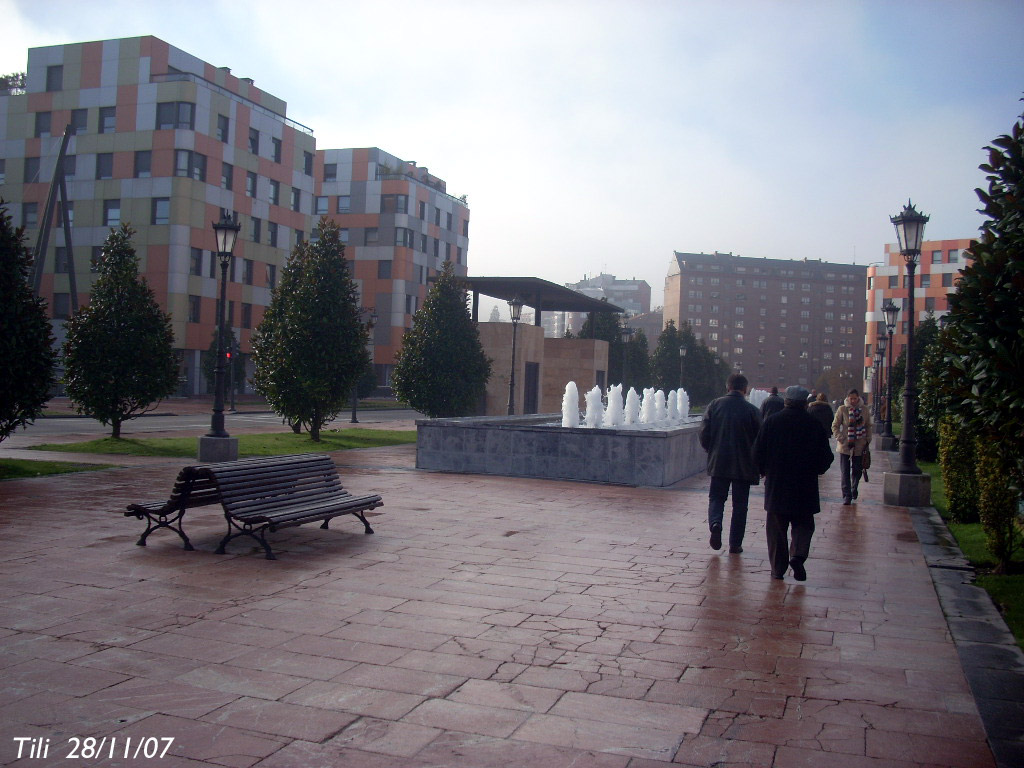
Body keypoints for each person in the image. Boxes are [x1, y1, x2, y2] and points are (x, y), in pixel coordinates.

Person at [753, 385, 834, 581]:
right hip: (804, 485)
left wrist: (764, 471)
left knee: (776, 529)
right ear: (805, 403)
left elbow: (757, 452)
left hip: (777, 484)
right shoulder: (813, 424)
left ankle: (777, 569)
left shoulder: (772, 422)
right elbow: (826, 457)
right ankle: (798, 554)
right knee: (804, 524)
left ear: (786, 401)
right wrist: (817, 470)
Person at [699, 373, 761, 554]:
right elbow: (760, 439)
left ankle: (716, 523)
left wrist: (711, 450)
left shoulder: (714, 406)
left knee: (717, 498)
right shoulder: (752, 410)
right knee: (740, 505)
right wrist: (759, 463)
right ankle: (735, 544)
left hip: (719, 461)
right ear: (745, 389)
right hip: (744, 464)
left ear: (728, 388)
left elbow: (704, 432)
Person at [832, 388, 872, 505]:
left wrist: (868, 439)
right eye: (851, 398)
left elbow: (868, 426)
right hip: (845, 445)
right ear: (848, 398)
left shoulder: (864, 410)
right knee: (845, 471)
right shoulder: (842, 409)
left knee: (857, 470)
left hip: (860, 444)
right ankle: (847, 495)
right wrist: (840, 437)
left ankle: (854, 488)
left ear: (858, 397)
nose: (853, 401)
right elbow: (835, 426)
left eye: (855, 398)